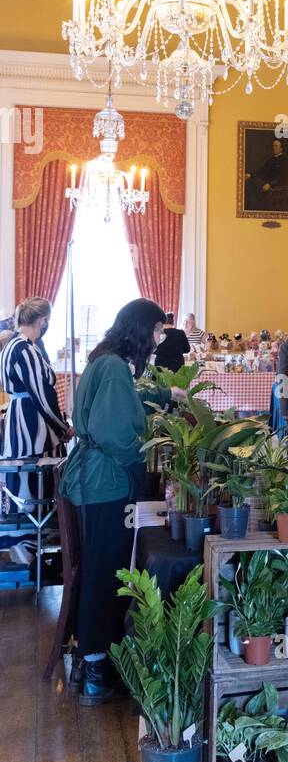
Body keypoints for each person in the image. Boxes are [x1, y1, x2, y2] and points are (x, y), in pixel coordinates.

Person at [59, 299, 186, 705]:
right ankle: (97, 667)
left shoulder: (107, 361)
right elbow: (114, 432)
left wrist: (166, 393)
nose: (158, 339)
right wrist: (145, 458)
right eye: (156, 331)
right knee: (104, 571)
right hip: (105, 482)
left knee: (100, 566)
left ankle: (88, 660)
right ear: (141, 329)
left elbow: (130, 397)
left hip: (92, 479)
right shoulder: (115, 368)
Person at [0, 298, 69, 509]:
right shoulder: (25, 349)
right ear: (43, 320)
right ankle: (33, 532)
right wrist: (62, 427)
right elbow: (42, 395)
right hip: (31, 422)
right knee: (33, 477)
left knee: (25, 475)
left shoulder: (14, 345)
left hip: (21, 415)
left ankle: (30, 530)